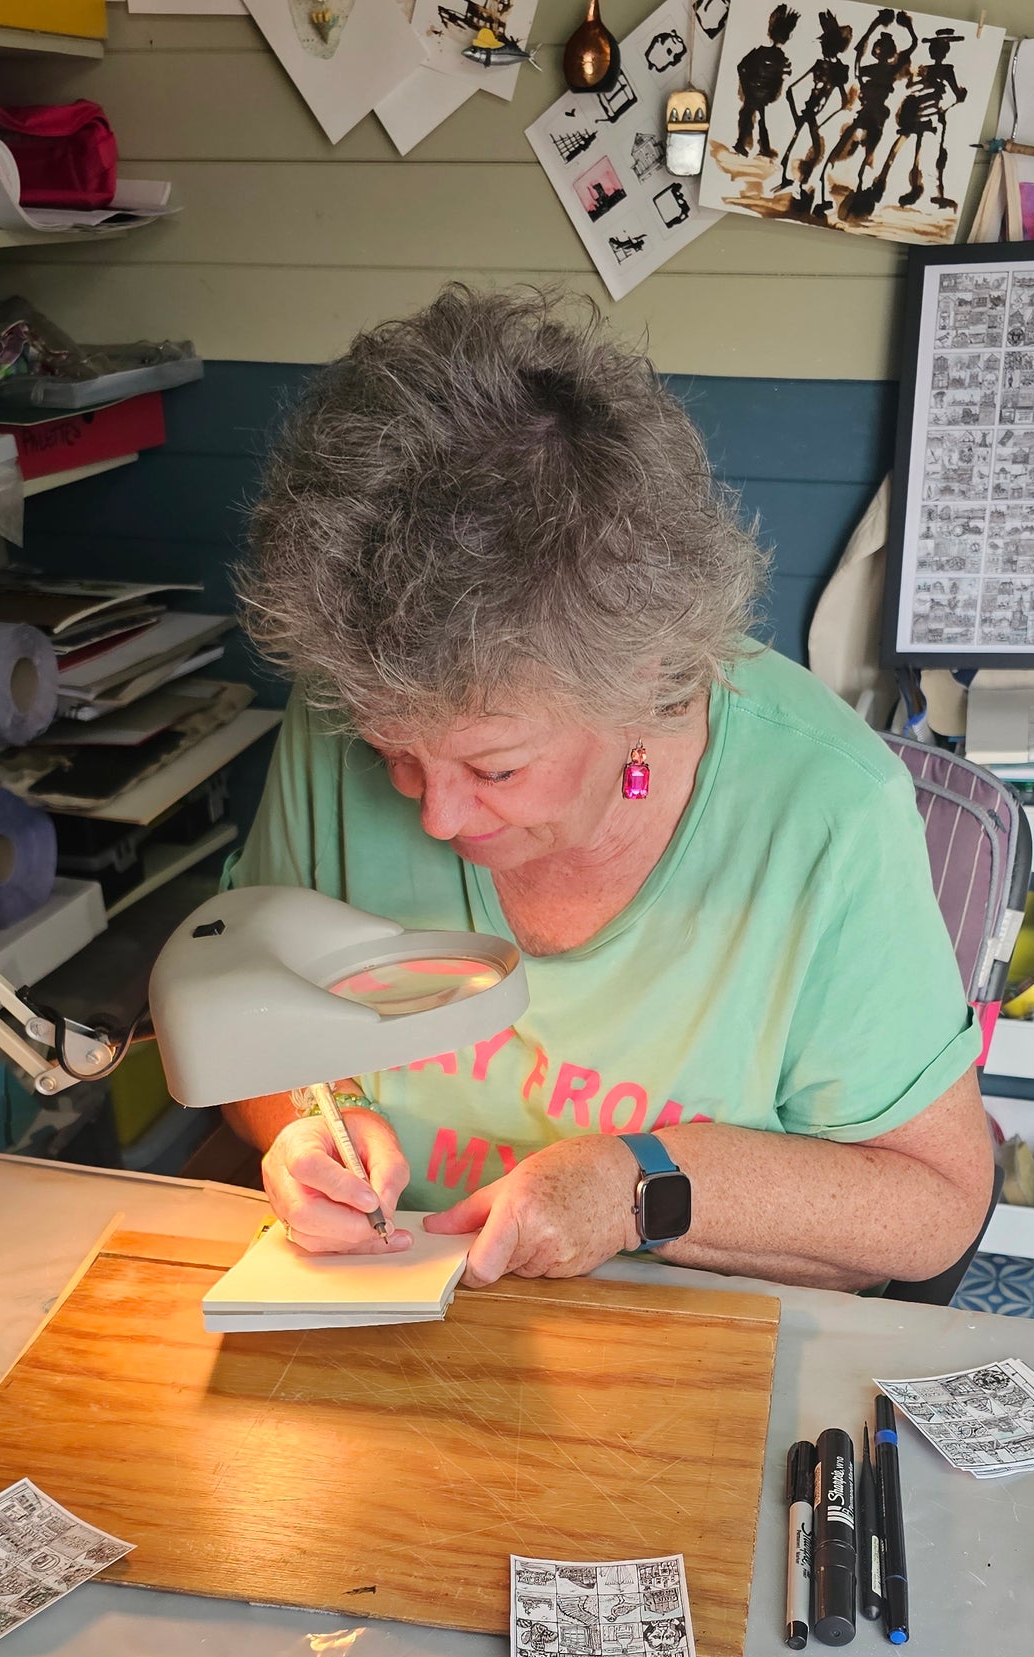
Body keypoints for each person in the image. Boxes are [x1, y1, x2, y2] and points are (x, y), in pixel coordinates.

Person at [220, 285, 994, 1295]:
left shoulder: (828, 813)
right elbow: (252, 1035)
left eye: (494, 768)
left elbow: (929, 1205)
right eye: (392, 754)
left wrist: (637, 1185)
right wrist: (307, 1135)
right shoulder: (337, 722)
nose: (432, 814)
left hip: (695, 1350)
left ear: (642, 679)